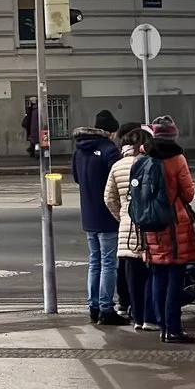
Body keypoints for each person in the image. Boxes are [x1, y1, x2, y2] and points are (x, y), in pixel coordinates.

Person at [134, 125, 195, 343]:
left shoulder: (142, 158)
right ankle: (173, 328)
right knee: (175, 276)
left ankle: (161, 325)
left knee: (157, 275)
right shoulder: (177, 159)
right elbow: (188, 194)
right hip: (174, 225)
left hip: (150, 224)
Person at [71, 110, 126, 326]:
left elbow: (77, 178)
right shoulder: (109, 150)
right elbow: (117, 182)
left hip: (88, 214)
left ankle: (93, 306)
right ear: (111, 132)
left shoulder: (79, 150)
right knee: (109, 263)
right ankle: (106, 308)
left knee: (94, 261)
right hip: (107, 215)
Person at [102, 123, 154, 329]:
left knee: (132, 275)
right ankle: (149, 317)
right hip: (148, 225)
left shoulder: (118, 166)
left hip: (126, 226)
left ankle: (136, 317)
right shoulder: (149, 163)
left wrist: (122, 215)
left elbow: (109, 198)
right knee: (151, 274)